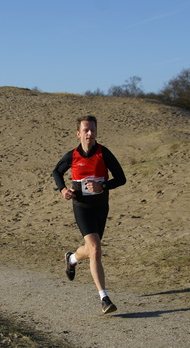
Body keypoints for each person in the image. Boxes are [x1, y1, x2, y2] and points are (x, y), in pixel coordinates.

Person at [52, 115, 126, 314]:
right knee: (95, 248)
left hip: (101, 207)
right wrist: (63, 190)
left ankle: (72, 258)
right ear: (79, 133)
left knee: (92, 250)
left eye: (92, 130)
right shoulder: (73, 155)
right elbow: (56, 173)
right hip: (82, 206)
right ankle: (104, 299)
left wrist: (102, 185)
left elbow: (121, 178)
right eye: (86, 130)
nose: (90, 134)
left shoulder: (104, 153)